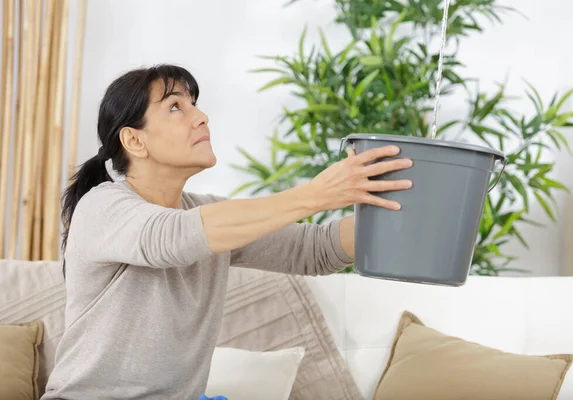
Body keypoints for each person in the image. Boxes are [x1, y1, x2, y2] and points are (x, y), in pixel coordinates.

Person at [41, 64, 413, 400]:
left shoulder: (208, 215)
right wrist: (314, 195)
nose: (201, 117)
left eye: (194, 104)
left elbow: (315, 249)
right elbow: (171, 240)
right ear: (134, 141)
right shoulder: (103, 207)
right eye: (175, 107)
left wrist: (402, 214)